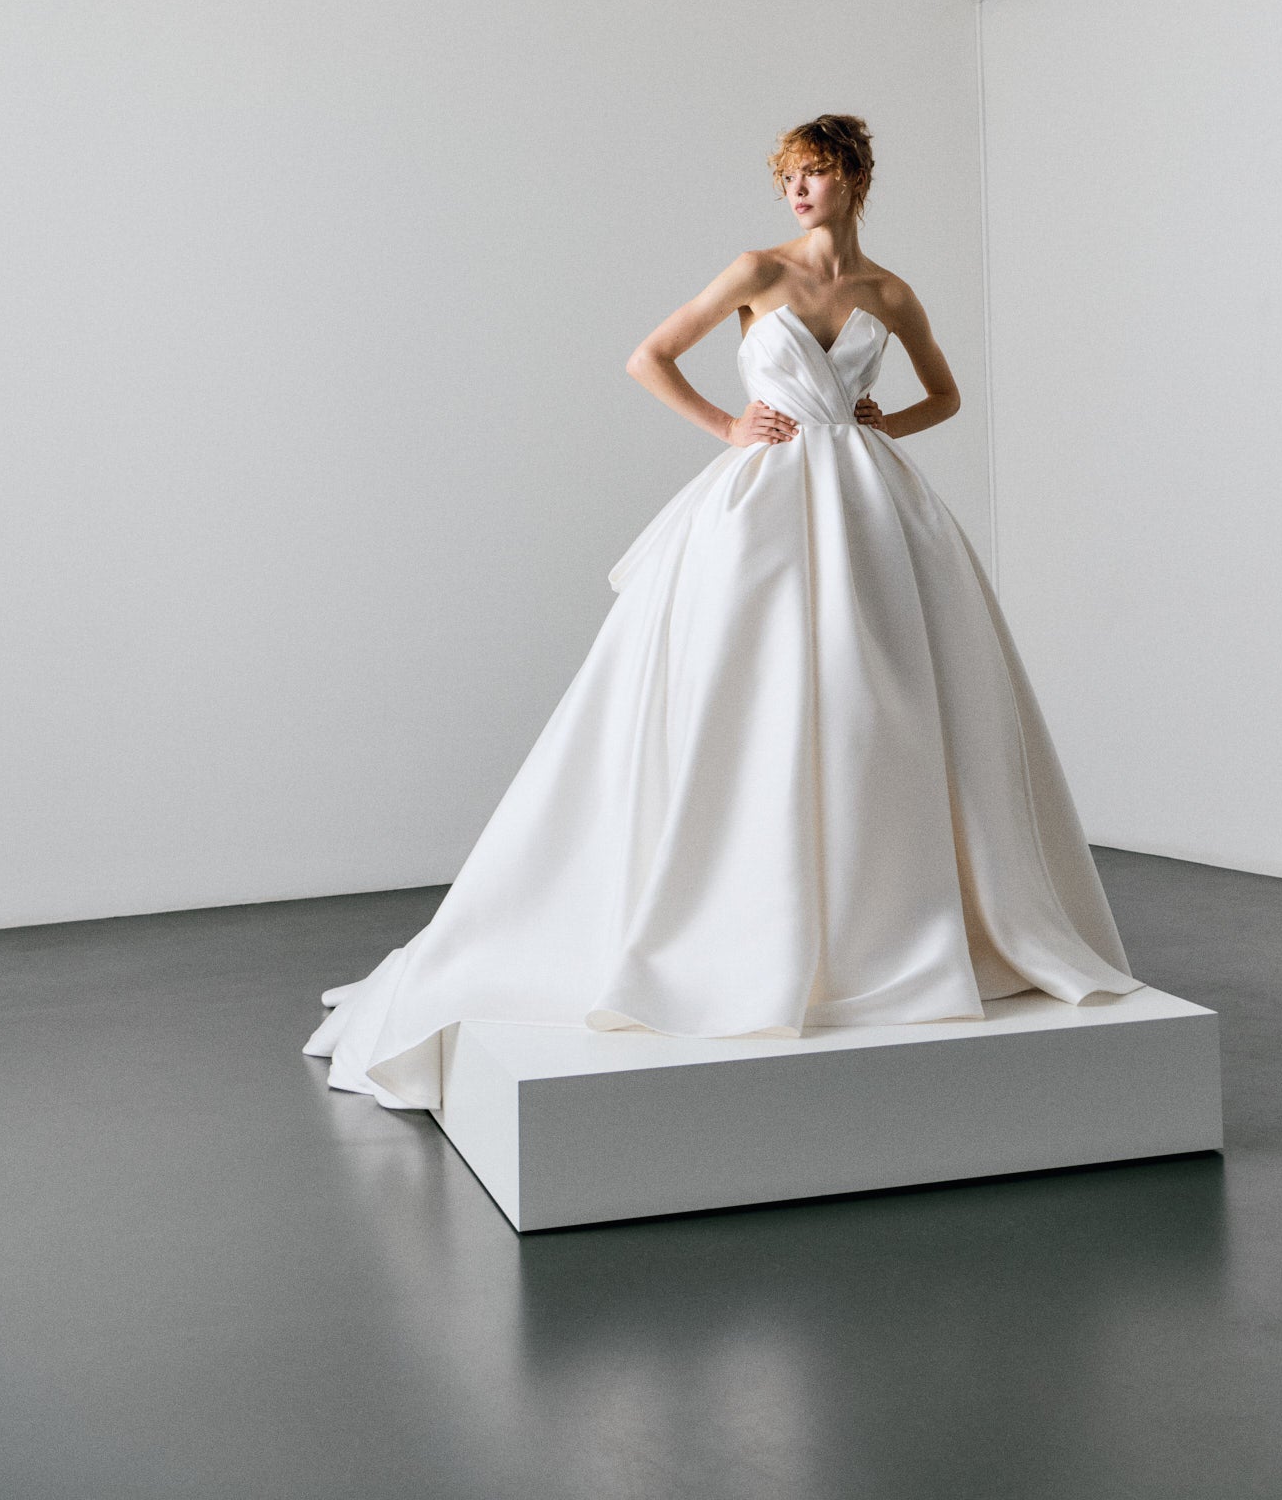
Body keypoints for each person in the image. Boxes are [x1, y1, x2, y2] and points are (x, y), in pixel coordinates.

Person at [306, 115, 1135, 1108]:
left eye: (815, 176)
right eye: (788, 177)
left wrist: (882, 422)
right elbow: (649, 356)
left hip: (872, 504)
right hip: (766, 503)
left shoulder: (888, 293)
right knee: (754, 688)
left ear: (854, 180)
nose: (797, 193)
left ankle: (886, 922)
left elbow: (947, 395)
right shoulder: (755, 271)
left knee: (881, 699)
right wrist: (726, 427)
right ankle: (737, 915)